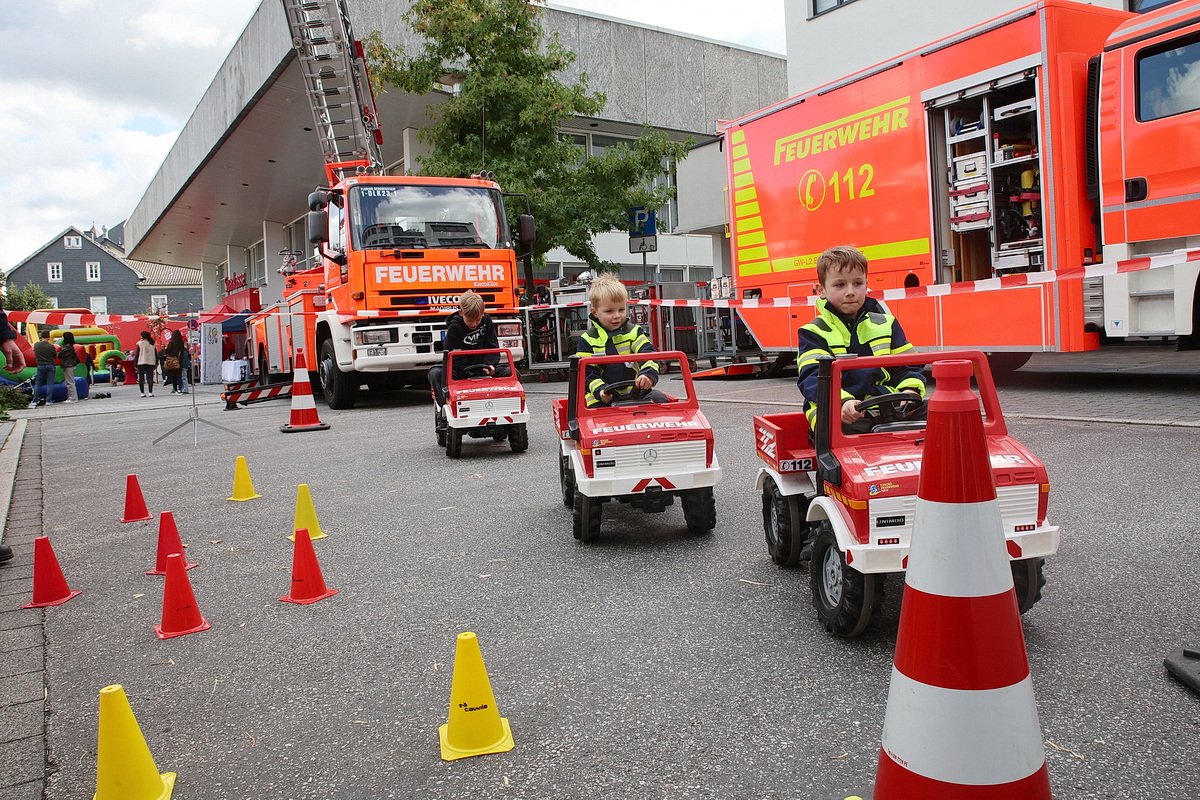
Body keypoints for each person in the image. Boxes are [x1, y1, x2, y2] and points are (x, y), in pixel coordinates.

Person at [796, 245, 926, 433]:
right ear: (821, 290)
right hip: (838, 412)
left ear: (866, 284)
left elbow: (909, 366)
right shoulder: (813, 332)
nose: (850, 291)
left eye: (857, 283)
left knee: (941, 412)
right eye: (840, 285)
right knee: (846, 428)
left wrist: (910, 391)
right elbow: (812, 379)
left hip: (888, 408)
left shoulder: (887, 323)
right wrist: (843, 402)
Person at [574, 273, 662, 407]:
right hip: (602, 398)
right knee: (593, 413)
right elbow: (586, 373)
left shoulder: (634, 333)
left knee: (661, 400)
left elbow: (649, 355)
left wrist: (647, 375)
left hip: (636, 393)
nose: (617, 316)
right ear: (595, 312)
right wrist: (600, 390)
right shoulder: (588, 340)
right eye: (609, 311)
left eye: (621, 310)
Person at [428, 292, 511, 429]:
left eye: (477, 320)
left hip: (484, 366)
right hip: (460, 370)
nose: (474, 324)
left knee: (510, 372)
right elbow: (454, 356)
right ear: (461, 313)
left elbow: (493, 347)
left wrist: (490, 364)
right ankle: (444, 413)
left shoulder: (487, 321)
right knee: (435, 373)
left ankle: (507, 409)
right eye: (470, 321)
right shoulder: (455, 327)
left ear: (483, 313)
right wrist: (466, 370)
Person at [31, 329, 58, 407]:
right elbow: (54, 356)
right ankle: (48, 400)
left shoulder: (36, 345)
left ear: (41, 336)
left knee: (38, 383)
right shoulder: (51, 346)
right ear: (48, 337)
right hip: (50, 365)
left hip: (40, 365)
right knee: (50, 383)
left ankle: (34, 400)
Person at [57, 330, 81, 403]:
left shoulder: (68, 347)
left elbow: (60, 354)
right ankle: (71, 397)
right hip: (71, 365)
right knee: (70, 382)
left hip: (69, 365)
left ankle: (73, 398)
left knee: (70, 382)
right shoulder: (70, 346)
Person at [135, 330, 158, 397]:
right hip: (150, 362)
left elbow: (137, 354)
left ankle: (142, 393)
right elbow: (155, 354)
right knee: (150, 377)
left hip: (141, 362)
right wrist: (156, 363)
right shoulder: (152, 343)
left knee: (141, 378)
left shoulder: (140, 343)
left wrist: (135, 363)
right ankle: (150, 392)